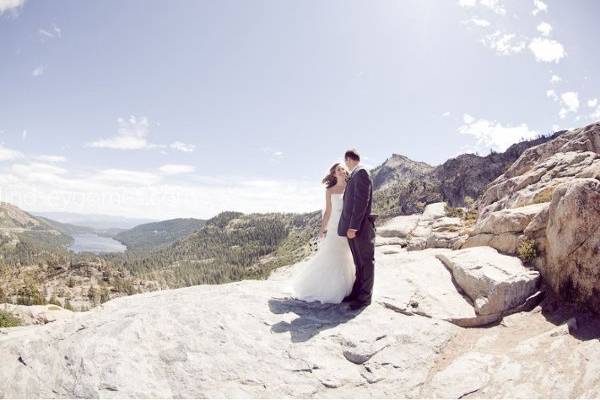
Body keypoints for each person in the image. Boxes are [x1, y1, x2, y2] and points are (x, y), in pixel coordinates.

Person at [290, 163, 356, 304]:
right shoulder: (330, 190)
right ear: (334, 173)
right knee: (332, 254)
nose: (341, 171)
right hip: (334, 227)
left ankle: (346, 288)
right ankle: (329, 289)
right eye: (338, 169)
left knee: (346, 255)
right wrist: (322, 229)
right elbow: (328, 212)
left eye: (343, 169)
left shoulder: (351, 187)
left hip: (347, 226)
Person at [337, 149, 376, 311]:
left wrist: (353, 226)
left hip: (360, 228)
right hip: (354, 229)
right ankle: (357, 292)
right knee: (358, 262)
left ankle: (364, 298)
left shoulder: (361, 173)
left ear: (348, 159)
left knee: (365, 262)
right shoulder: (356, 174)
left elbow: (361, 202)